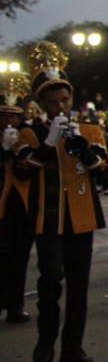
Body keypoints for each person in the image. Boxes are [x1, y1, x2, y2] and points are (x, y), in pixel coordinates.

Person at [17, 42, 107, 362]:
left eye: (64, 99)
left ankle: (73, 348)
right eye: (52, 101)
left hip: (81, 217)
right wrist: (47, 143)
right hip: (48, 217)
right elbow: (22, 169)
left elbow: (102, 167)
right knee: (51, 279)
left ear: (71, 99)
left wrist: (78, 145)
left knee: (79, 288)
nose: (59, 106)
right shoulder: (29, 133)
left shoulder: (88, 129)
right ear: (41, 103)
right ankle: (46, 337)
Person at [0, 72, 33, 324]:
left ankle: (15, 305)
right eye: (4, 114)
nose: (9, 120)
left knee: (19, 257)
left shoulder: (26, 135)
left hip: (21, 205)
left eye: (13, 115)